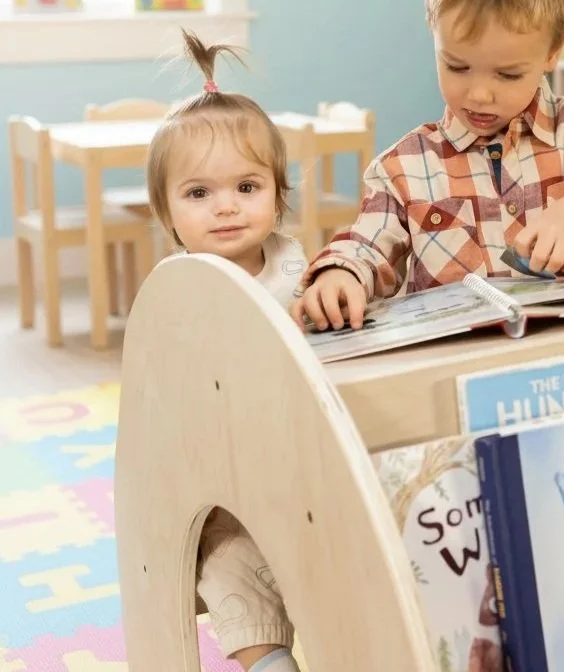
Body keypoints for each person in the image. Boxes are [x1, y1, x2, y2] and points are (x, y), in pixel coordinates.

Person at [292, 0, 564, 332]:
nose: (478, 95)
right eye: (457, 66)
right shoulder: (402, 167)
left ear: (553, 51)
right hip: (455, 368)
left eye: (508, 74)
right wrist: (339, 273)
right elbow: (366, 244)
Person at [145, 29, 305, 672]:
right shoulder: (175, 294)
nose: (226, 208)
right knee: (225, 566)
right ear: (167, 214)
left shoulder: (298, 270)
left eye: (247, 187)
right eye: (198, 193)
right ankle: (269, 660)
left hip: (303, 466)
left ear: (277, 192)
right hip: (226, 491)